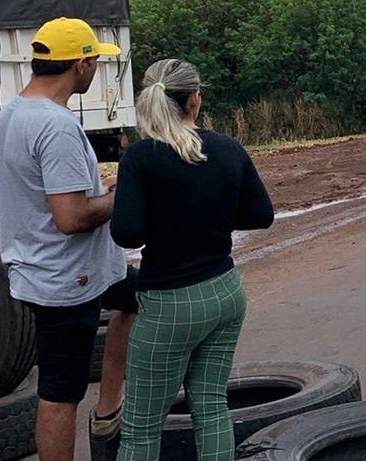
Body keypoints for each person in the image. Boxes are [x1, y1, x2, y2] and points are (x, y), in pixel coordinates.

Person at [109, 59, 275, 460]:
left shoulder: (141, 158)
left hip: (169, 303)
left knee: (141, 428)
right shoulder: (228, 147)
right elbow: (261, 215)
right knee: (212, 406)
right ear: (195, 99)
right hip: (225, 293)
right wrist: (210, 212)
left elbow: (127, 233)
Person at [0, 17, 138, 461]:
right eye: (94, 60)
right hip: (64, 279)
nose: (96, 69)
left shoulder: (11, 113)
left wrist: (102, 191)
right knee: (60, 394)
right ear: (80, 64)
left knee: (136, 300)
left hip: (63, 267)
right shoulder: (56, 126)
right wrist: (126, 195)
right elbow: (71, 218)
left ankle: (109, 409)